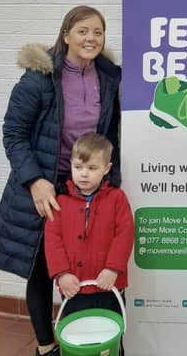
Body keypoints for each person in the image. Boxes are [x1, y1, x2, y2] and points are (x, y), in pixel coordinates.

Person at [0, 5, 122, 356]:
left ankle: (84, 339)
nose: (90, 38)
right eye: (82, 31)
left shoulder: (109, 78)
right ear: (66, 35)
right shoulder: (39, 78)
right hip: (46, 185)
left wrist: (111, 182)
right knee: (42, 267)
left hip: (87, 185)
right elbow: (13, 134)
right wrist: (34, 181)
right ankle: (46, 347)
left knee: (84, 264)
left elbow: (113, 135)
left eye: (97, 31)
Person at [44, 132, 134, 355]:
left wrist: (113, 269)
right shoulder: (61, 201)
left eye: (92, 168)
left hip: (109, 286)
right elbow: (52, 240)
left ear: (106, 168)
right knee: (78, 337)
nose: (84, 174)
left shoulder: (117, 198)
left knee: (110, 336)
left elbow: (125, 234)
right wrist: (62, 274)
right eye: (78, 167)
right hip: (73, 288)